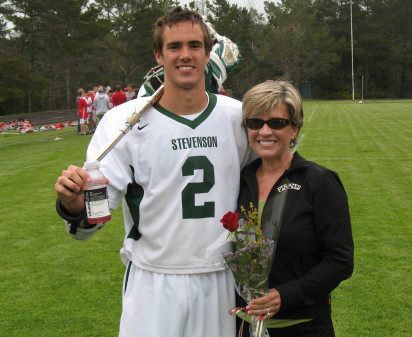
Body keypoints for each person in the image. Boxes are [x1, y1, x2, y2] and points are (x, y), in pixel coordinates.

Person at [54, 7, 249, 337]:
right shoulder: (122, 122)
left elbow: (272, 190)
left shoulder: (239, 117)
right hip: (153, 280)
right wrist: (72, 203)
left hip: (221, 278)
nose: (184, 55)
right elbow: (94, 214)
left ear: (207, 52)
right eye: (174, 47)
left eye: (194, 46)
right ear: (159, 54)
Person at [236, 80, 354, 337]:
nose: (264, 131)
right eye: (255, 123)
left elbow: (340, 261)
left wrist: (285, 295)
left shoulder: (319, 181)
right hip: (246, 327)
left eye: (276, 123)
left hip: (303, 329)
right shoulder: (239, 181)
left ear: (295, 129)